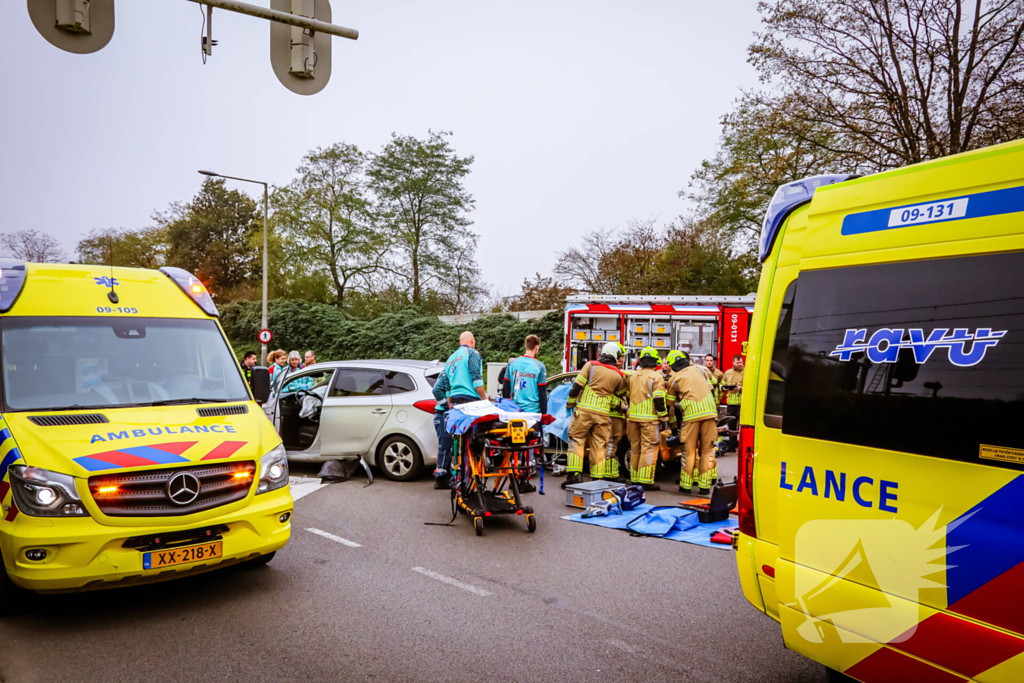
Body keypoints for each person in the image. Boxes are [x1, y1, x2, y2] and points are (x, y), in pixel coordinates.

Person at [563, 342, 628, 488]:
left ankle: (575, 476)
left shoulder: (591, 365)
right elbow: (619, 395)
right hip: (603, 415)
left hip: (584, 411)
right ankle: (597, 480)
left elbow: (576, 386)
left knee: (577, 440)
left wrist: (570, 404)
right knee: (599, 446)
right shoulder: (619, 375)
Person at [431, 331, 487, 490]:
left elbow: (447, 388)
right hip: (470, 402)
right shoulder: (472, 353)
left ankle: (457, 479)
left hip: (455, 403)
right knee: (472, 443)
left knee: (457, 444)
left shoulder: (450, 359)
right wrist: (485, 400)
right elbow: (476, 379)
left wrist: (449, 406)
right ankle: (470, 479)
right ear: (472, 341)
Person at [665, 350, 719, 494]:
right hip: (710, 414)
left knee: (689, 452)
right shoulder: (701, 371)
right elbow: (712, 389)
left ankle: (686, 486)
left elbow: (670, 407)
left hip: (691, 417)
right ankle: (704, 487)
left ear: (672, 365)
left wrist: (674, 427)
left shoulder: (674, 379)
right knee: (707, 451)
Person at [502, 336, 548, 493]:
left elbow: (505, 388)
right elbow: (542, 394)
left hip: (515, 412)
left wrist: (507, 408)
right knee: (528, 447)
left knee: (514, 446)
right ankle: (524, 479)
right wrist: (543, 415)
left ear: (525, 345)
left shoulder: (512, 364)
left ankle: (513, 477)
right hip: (532, 414)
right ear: (536, 348)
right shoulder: (539, 366)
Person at [625, 347, 668, 491]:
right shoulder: (657, 377)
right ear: (655, 361)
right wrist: (663, 417)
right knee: (649, 449)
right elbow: (659, 400)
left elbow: (627, 394)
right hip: (649, 419)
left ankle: (634, 478)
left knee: (635, 449)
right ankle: (645, 481)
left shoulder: (632, 376)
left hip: (632, 418)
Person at [723, 354, 745, 452]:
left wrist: (740, 388)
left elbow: (751, 386)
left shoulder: (746, 372)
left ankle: (742, 447)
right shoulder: (728, 373)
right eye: (737, 362)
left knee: (742, 426)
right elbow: (722, 383)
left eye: (741, 362)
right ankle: (731, 447)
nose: (739, 364)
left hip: (742, 403)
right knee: (731, 426)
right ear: (733, 363)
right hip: (731, 404)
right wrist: (723, 388)